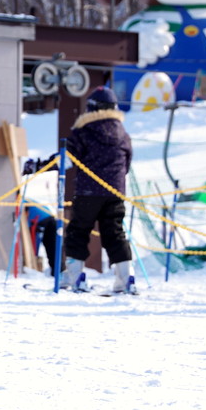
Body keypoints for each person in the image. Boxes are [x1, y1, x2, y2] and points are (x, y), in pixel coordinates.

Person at [23, 86, 136, 294]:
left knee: (78, 232)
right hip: (115, 192)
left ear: (91, 108)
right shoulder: (122, 133)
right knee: (115, 234)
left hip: (88, 192)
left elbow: (65, 160)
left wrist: (37, 166)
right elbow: (127, 162)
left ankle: (75, 277)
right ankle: (125, 279)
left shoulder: (84, 131)